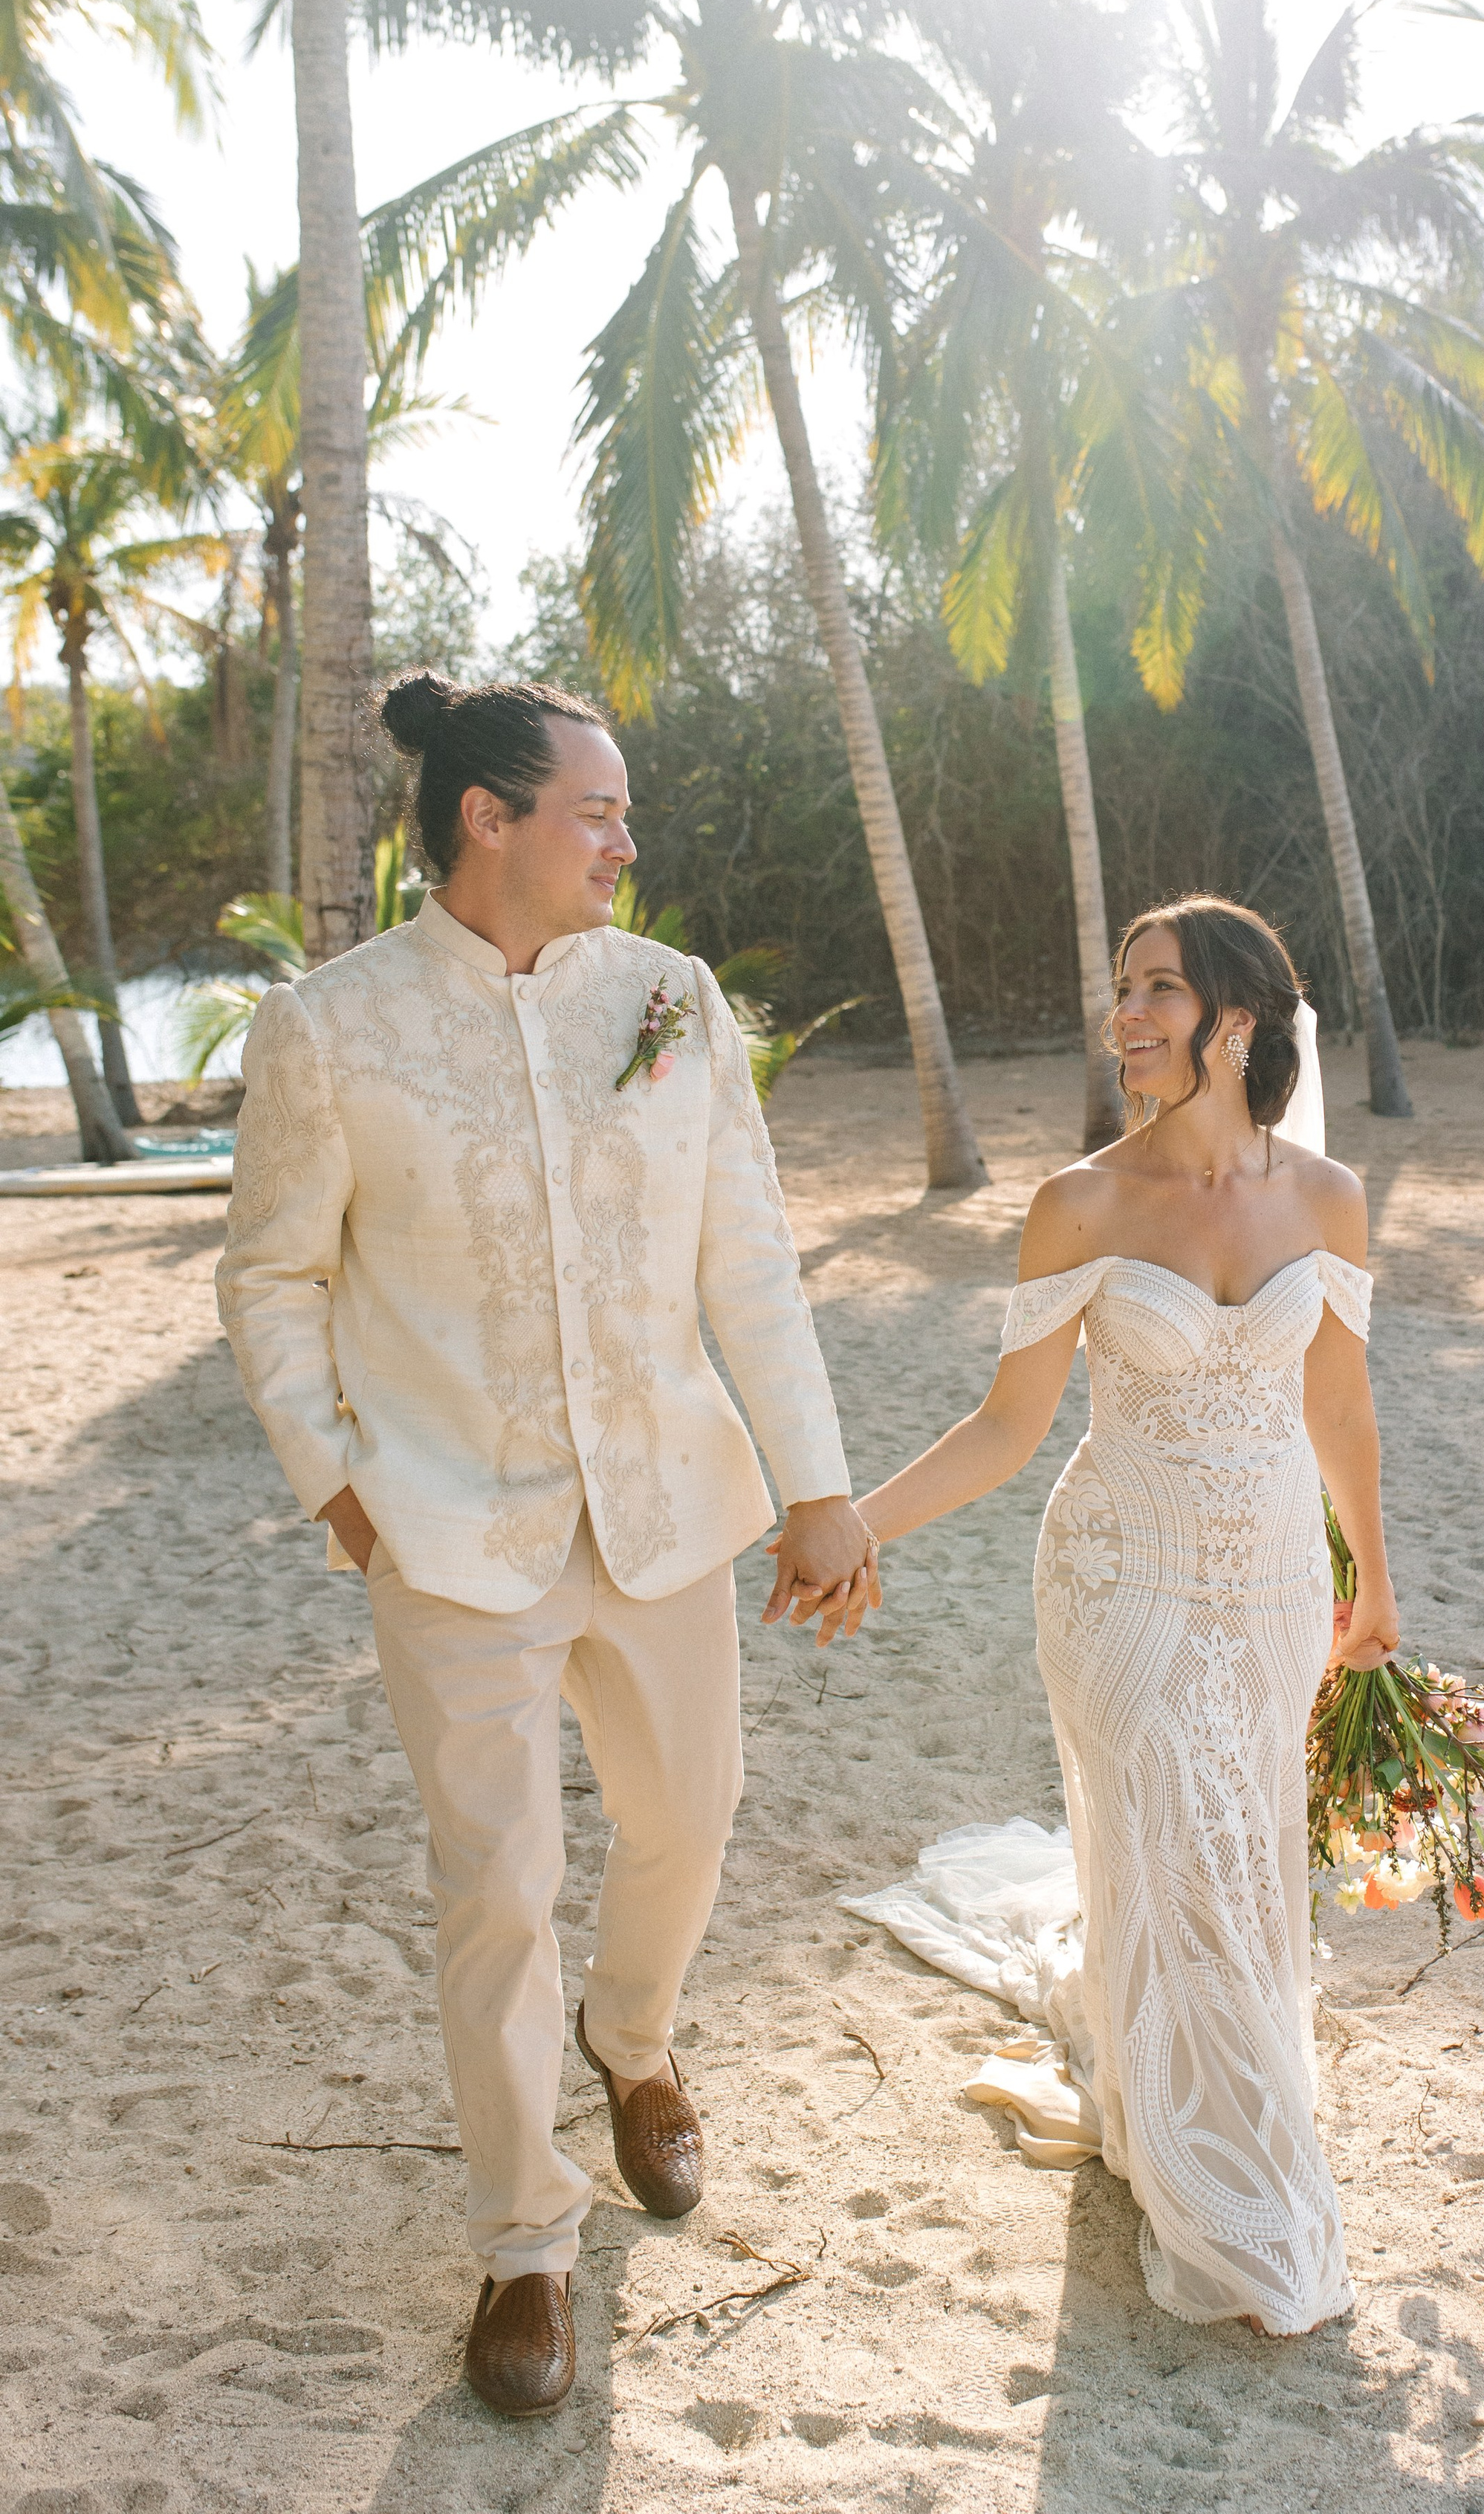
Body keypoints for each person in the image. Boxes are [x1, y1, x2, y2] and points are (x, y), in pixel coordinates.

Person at [216, 670, 878, 2420]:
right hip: (444, 1530)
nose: (623, 842)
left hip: (666, 1508)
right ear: (485, 819)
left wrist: (816, 1484)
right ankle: (525, 2243)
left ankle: (631, 2039)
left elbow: (748, 1256)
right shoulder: (329, 1029)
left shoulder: (669, 999)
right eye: (596, 810)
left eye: (623, 813)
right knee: (496, 1889)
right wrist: (336, 1483)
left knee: (688, 1819)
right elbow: (272, 1275)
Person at [849, 896, 1398, 2335]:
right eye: (1122, 989)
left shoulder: (1327, 1199)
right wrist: (857, 1522)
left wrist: (1371, 1578)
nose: (1126, 1015)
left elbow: (1339, 1406)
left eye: (1157, 989)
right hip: (1120, 1584)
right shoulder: (1078, 1206)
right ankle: (1222, 2184)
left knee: (1241, 1856)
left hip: (1273, 1584)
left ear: (1235, 1018)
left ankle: (1211, 2095)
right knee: (1174, 1851)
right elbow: (1003, 1427)